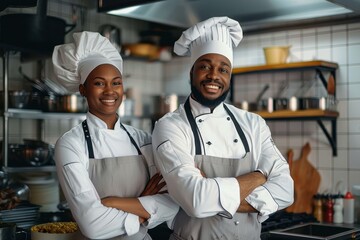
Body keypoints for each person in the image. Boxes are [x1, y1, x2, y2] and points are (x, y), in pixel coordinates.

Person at [152, 16, 294, 240]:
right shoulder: (170, 127)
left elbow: (286, 189)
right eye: (205, 66)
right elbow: (196, 202)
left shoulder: (253, 124)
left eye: (223, 69)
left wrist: (211, 192)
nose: (214, 76)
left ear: (229, 76)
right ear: (191, 72)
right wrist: (258, 177)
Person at [52, 31, 179, 240]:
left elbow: (171, 205)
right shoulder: (70, 144)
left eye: (116, 82)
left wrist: (111, 202)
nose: (110, 91)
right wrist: (143, 205)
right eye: (99, 83)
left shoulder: (143, 139)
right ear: (83, 89)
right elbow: (92, 226)